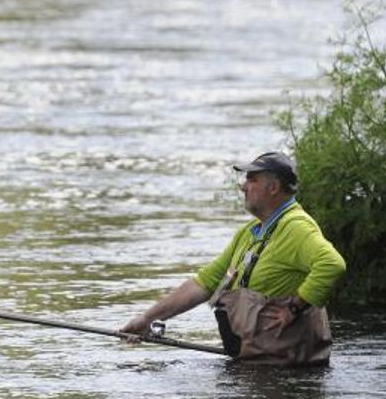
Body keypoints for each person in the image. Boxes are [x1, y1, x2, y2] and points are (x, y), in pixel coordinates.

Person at [119, 151, 346, 362]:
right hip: (256, 363)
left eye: (251, 180)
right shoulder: (250, 233)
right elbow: (204, 283)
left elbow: (332, 264)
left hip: (286, 371)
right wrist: (147, 319)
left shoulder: (296, 228)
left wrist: (294, 307)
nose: (243, 187)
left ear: (274, 187)